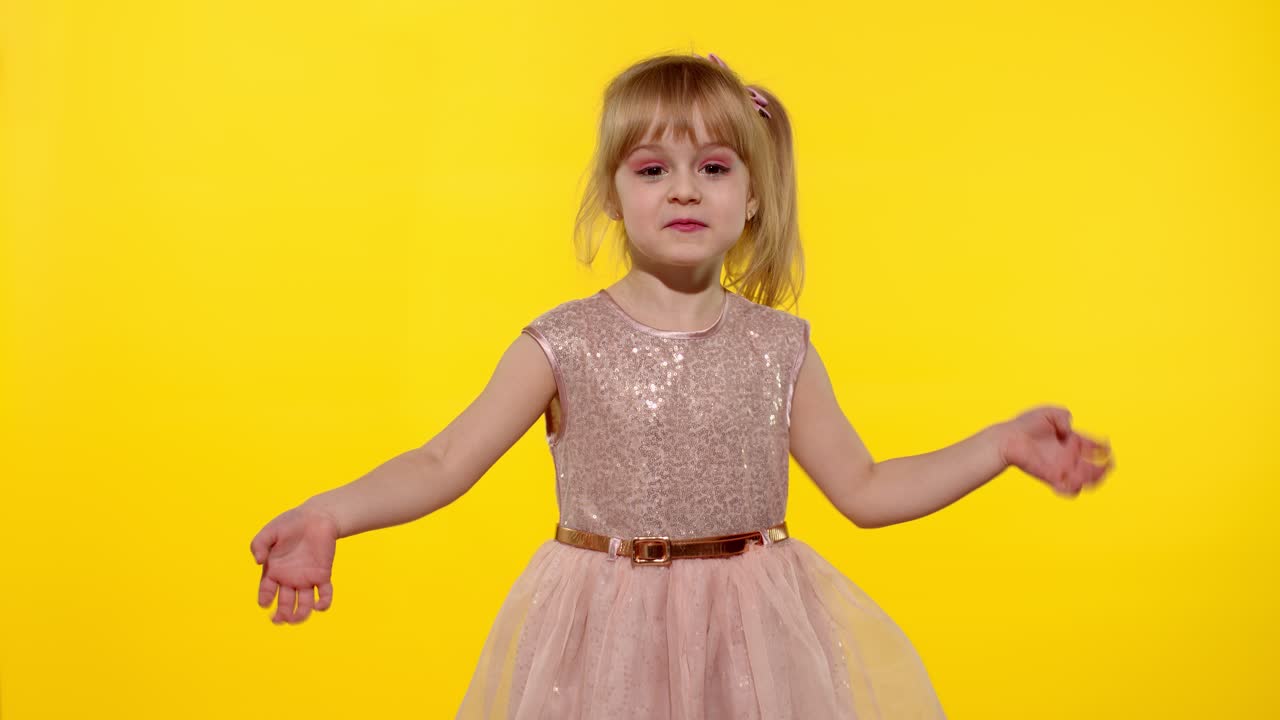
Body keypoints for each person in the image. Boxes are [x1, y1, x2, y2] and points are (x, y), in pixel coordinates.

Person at [249, 51, 1116, 719]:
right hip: (602, 638)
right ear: (612, 195)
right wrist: (333, 512)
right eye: (652, 169)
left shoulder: (779, 349)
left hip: (753, 641)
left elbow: (869, 488)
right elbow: (441, 462)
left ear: (753, 199)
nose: (684, 189)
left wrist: (999, 445)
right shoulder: (564, 343)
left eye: (713, 166)